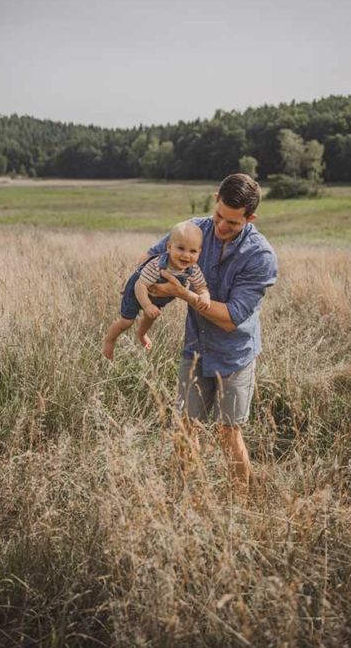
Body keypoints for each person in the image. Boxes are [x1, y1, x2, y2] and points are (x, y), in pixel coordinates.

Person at [140, 173, 278, 495]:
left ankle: (239, 503)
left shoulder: (260, 256)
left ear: (250, 217)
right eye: (219, 215)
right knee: (185, 427)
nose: (221, 226)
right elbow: (149, 259)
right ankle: (187, 494)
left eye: (232, 222)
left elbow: (230, 319)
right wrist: (143, 288)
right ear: (215, 198)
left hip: (234, 355)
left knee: (228, 432)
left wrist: (185, 295)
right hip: (196, 347)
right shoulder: (194, 230)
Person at [102, 221, 210, 360]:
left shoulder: (192, 269)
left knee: (151, 316)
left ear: (199, 252)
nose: (186, 255)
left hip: (157, 297)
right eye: (181, 248)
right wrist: (147, 305)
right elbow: (140, 285)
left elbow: (201, 287)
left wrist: (205, 296)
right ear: (169, 247)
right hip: (138, 291)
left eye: (193, 251)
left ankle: (141, 334)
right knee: (126, 322)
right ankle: (109, 340)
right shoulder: (157, 265)